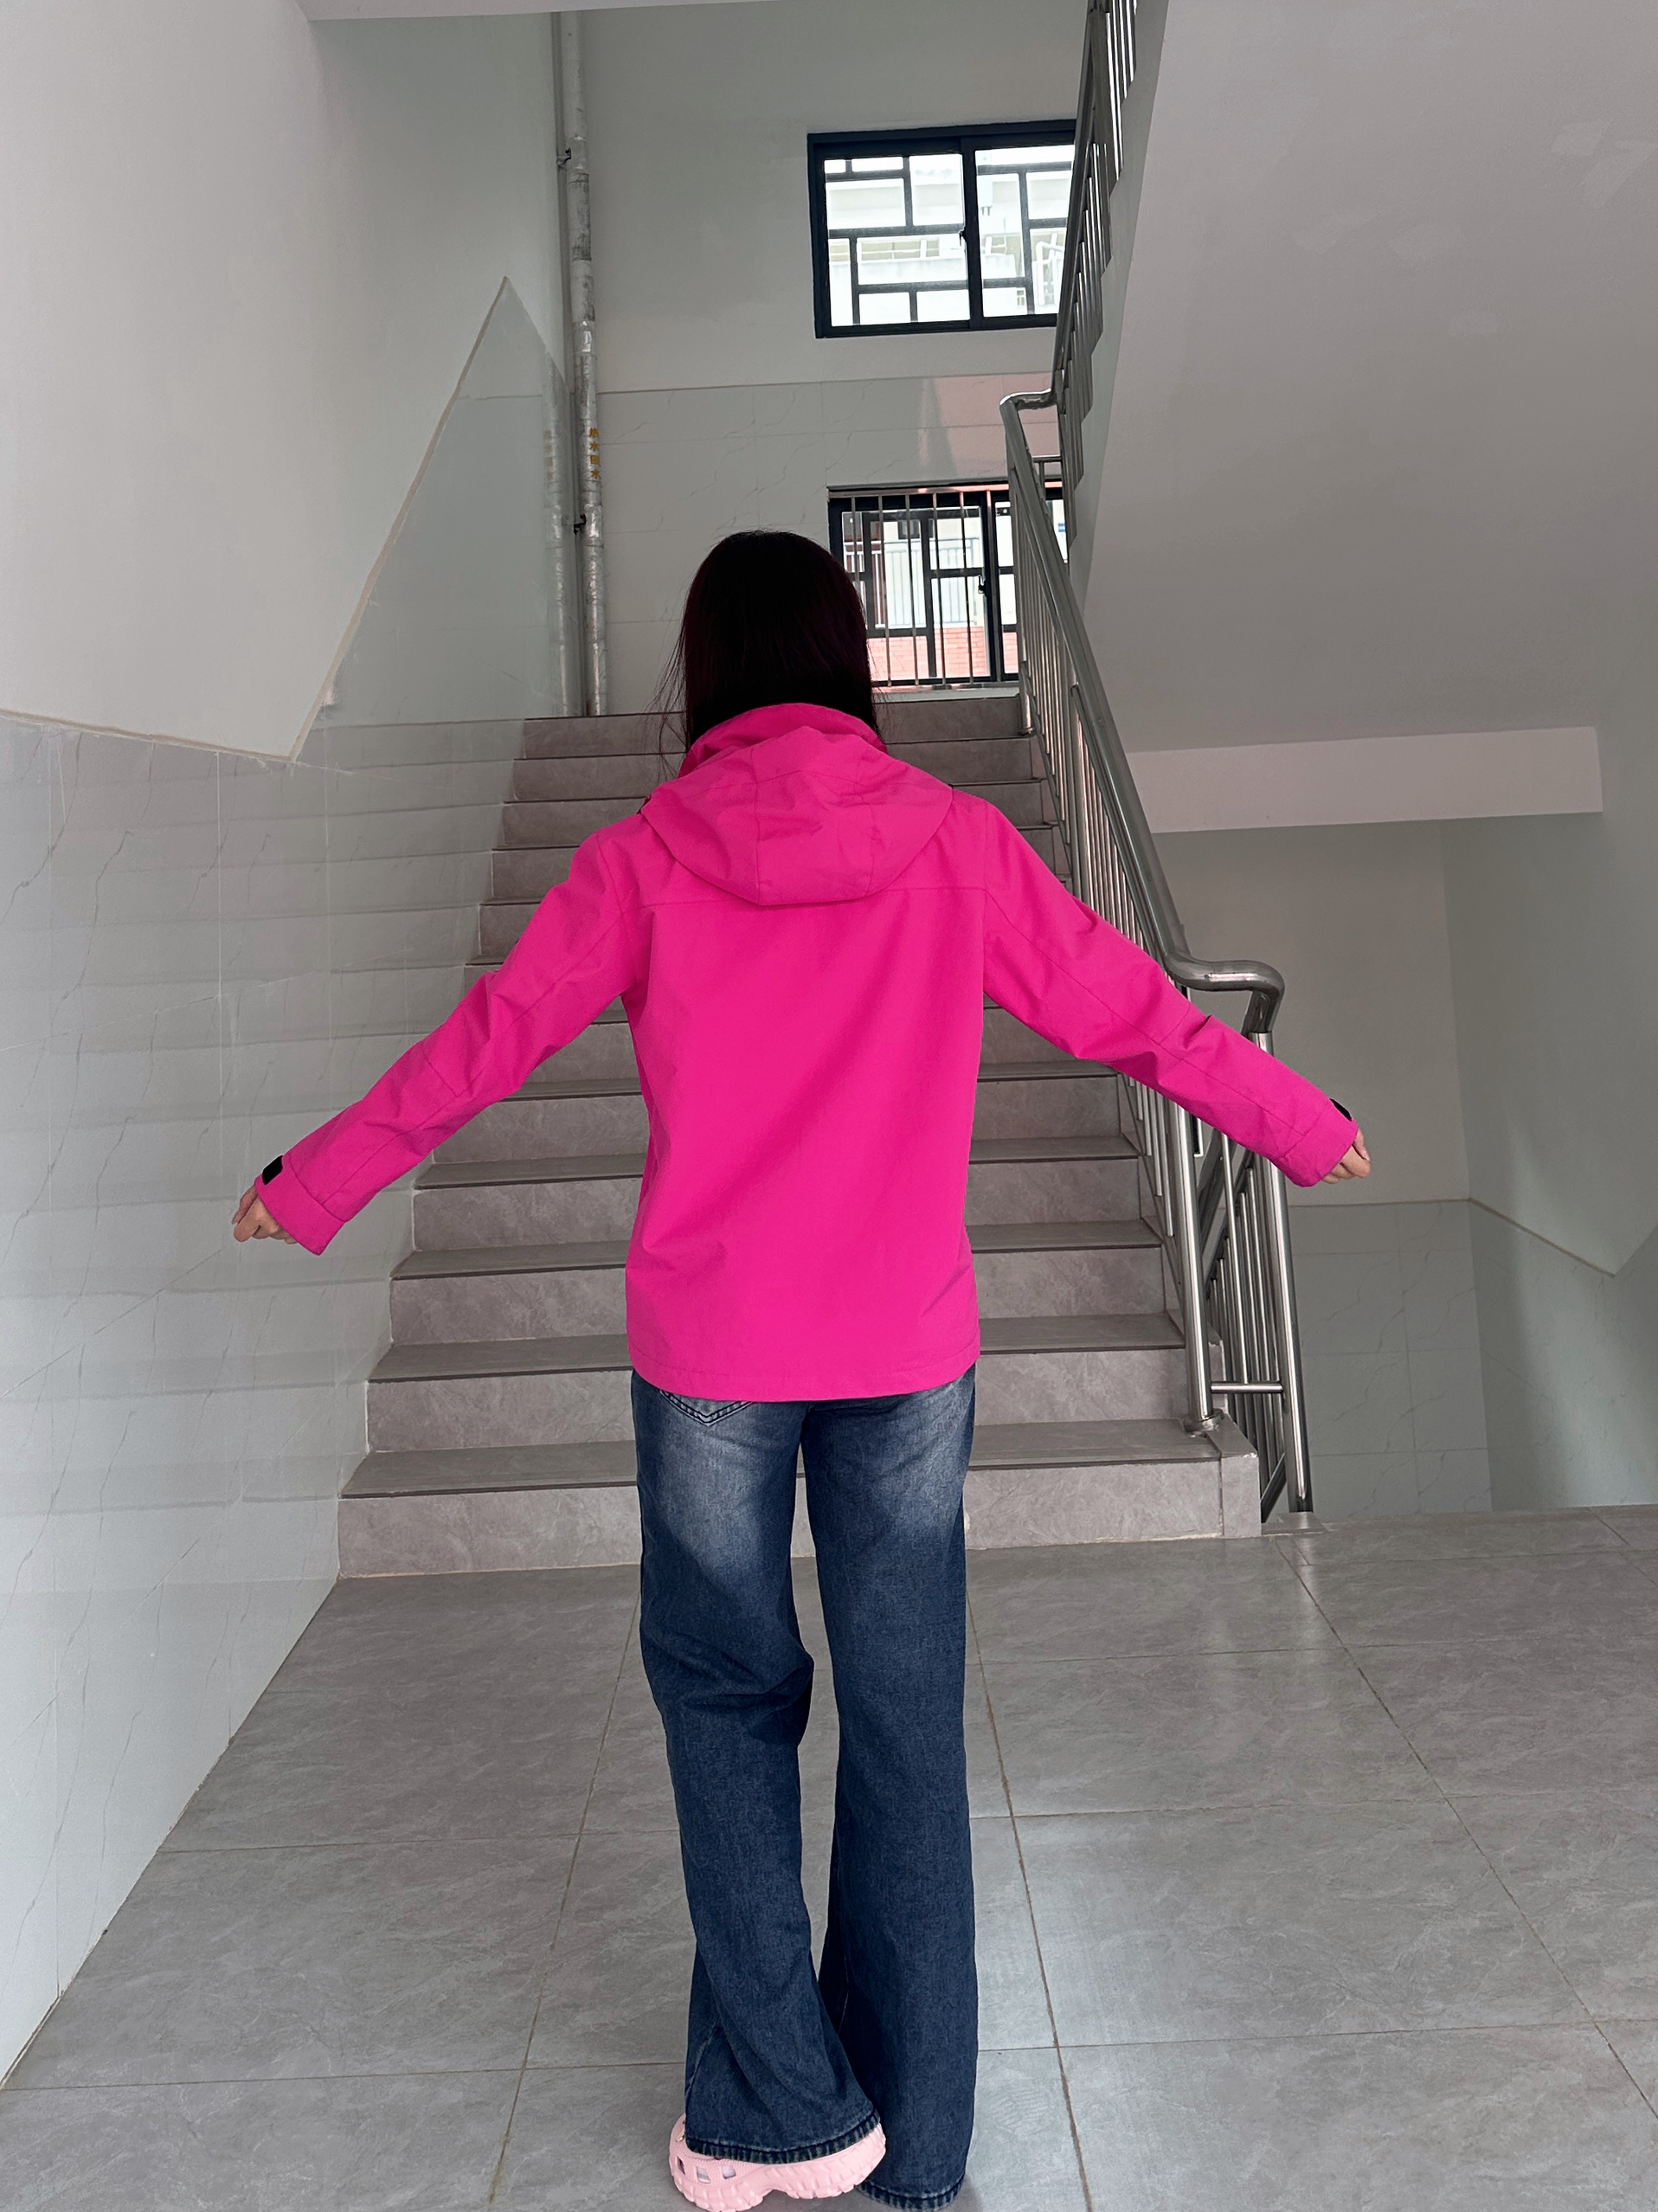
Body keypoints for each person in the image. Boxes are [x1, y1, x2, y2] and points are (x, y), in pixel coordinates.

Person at [234, 530, 1369, 2211]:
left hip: (713, 1356)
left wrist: (314, 1181)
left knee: (726, 1708)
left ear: (706, 671)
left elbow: (488, 1043)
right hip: (904, 1349)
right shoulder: (956, 842)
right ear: (847, 663)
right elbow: (1129, 1009)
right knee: (905, 1727)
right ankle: (915, 2138)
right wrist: (1297, 1122)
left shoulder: (643, 858)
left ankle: (783, 2109)